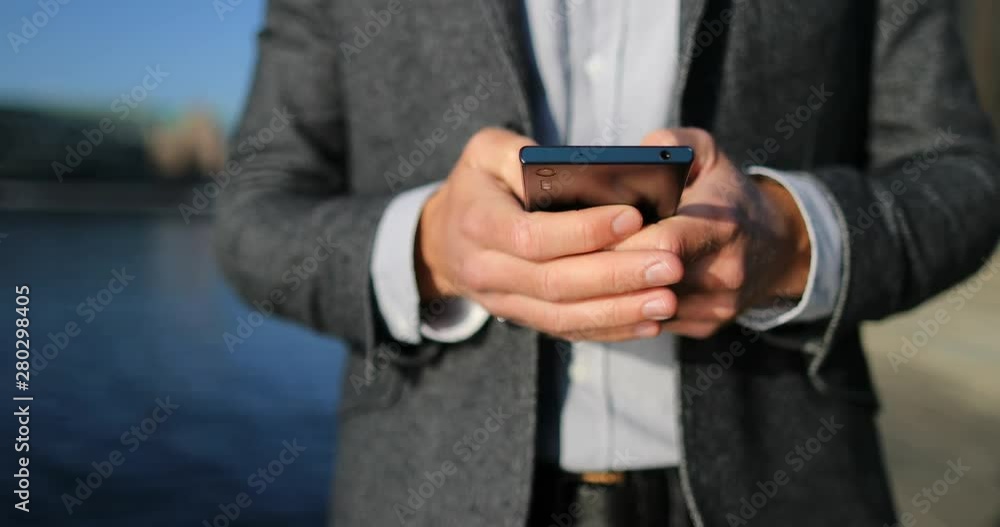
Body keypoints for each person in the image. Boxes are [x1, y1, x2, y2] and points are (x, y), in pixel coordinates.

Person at [214, 0, 1000, 525]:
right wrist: (431, 249)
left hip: (792, 485)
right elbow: (253, 213)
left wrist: (789, 239)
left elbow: (959, 172)